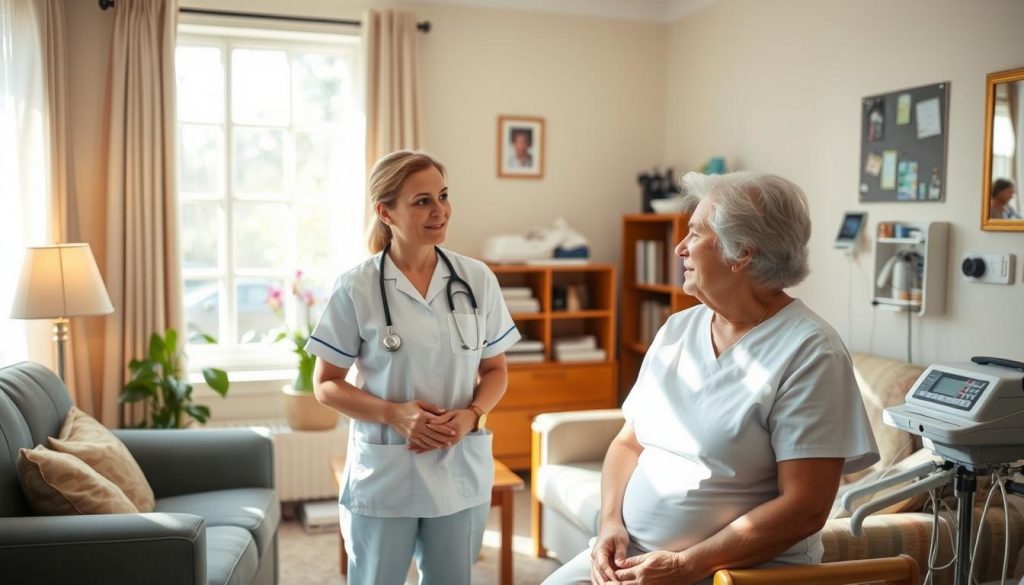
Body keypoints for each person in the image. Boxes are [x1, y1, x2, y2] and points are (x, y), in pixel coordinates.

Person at [542, 171, 879, 585]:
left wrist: (687, 566)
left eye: (696, 234)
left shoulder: (810, 351)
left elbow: (805, 507)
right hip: (637, 558)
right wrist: (610, 524)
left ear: (742, 254)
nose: (679, 247)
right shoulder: (677, 330)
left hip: (732, 572)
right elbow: (628, 442)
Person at [306, 150, 521, 585]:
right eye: (422, 201)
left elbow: (496, 370)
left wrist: (472, 415)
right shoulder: (357, 287)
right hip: (387, 471)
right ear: (385, 212)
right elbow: (326, 385)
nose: (439, 210)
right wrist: (395, 414)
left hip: (457, 464)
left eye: (443, 196)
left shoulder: (477, 279)